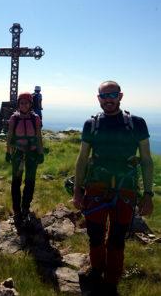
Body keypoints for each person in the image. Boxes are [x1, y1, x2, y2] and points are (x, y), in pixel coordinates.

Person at [73, 81, 154, 296]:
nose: (108, 99)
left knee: (117, 238)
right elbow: (82, 159)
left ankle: (111, 280)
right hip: (96, 187)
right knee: (95, 234)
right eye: (104, 96)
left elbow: (146, 160)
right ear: (98, 98)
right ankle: (97, 269)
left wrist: (148, 194)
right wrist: (77, 190)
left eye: (113, 95)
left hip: (125, 189)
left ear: (121, 96)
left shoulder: (137, 123)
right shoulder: (91, 124)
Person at [6, 92, 44, 229]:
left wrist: (40, 152)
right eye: (21, 103)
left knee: (30, 182)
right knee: (16, 183)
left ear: (31, 104)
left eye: (26, 103)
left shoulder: (36, 119)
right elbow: (10, 136)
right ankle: (17, 210)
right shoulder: (14, 119)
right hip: (18, 154)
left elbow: (39, 137)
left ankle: (25, 208)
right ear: (18, 104)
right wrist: (8, 152)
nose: (24, 105)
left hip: (32, 154)